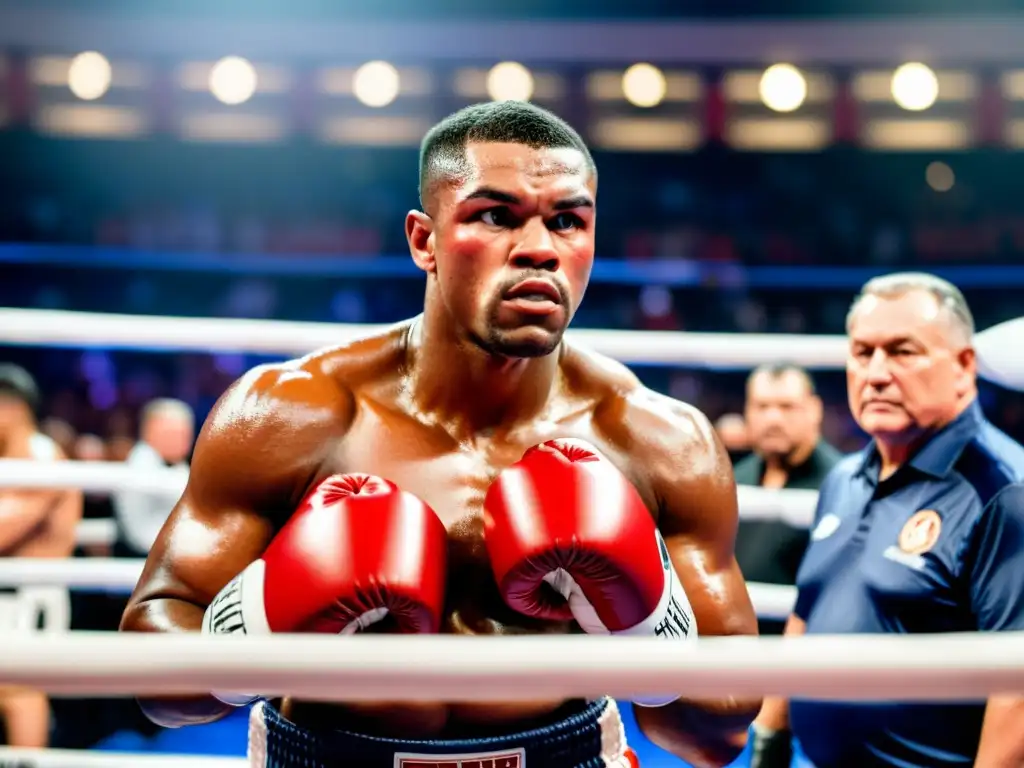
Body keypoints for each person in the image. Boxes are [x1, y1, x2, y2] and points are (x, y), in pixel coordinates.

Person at [120, 101, 760, 768]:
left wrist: (649, 627)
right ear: (424, 240)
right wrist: (260, 623)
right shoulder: (293, 414)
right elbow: (152, 675)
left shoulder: (654, 437)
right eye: (496, 216)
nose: (541, 247)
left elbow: (717, 733)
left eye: (568, 221)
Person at [751, 273, 1024, 768]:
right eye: (862, 352)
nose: (876, 373)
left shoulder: (1004, 493)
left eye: (903, 352)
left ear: (965, 367)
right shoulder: (843, 478)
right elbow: (807, 613)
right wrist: (768, 744)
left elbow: (1019, 686)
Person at [0, 364, 82, 747]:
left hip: (31, 597)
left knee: (19, 692)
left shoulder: (43, 459)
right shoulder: (12, 459)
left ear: (11, 407)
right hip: (10, 596)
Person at [733, 364, 841, 635]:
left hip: (803, 658)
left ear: (814, 410)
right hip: (733, 651)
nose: (773, 419)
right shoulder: (733, 479)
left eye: (786, 406)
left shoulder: (841, 484)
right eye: (762, 406)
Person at [111, 398, 193, 557]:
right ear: (150, 431)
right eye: (173, 433)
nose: (183, 440)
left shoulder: (175, 465)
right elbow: (139, 535)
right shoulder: (142, 462)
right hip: (143, 558)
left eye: (186, 433)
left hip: (164, 556)